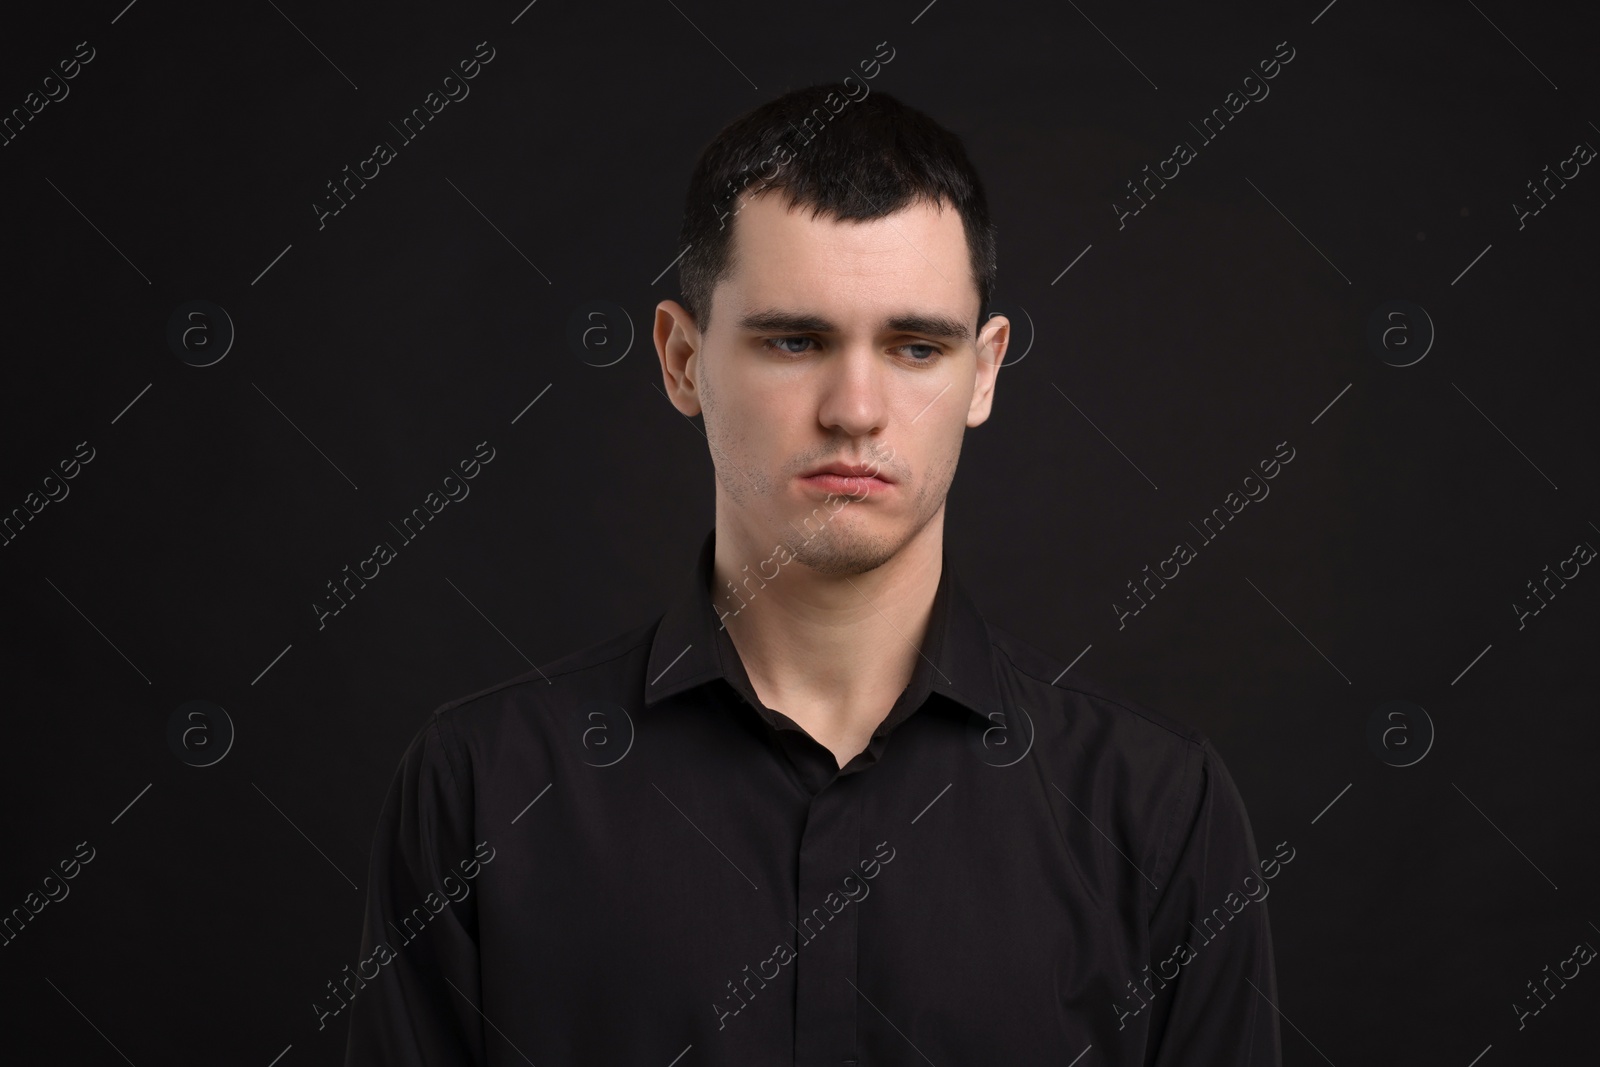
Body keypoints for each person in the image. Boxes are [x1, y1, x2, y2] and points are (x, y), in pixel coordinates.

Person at [342, 82, 1282, 1066]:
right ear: (679, 358)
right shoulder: (481, 790)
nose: (856, 408)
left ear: (984, 371)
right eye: (796, 340)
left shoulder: (1161, 811)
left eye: (915, 346)